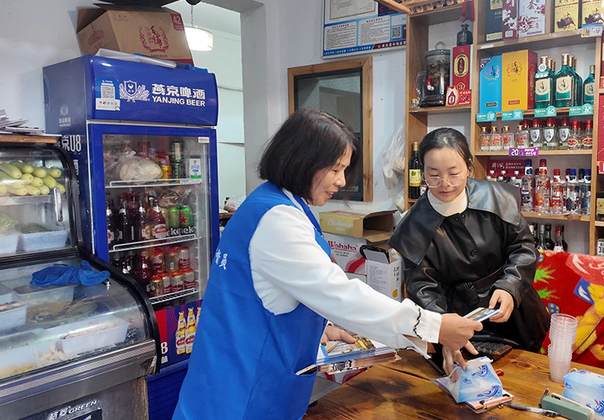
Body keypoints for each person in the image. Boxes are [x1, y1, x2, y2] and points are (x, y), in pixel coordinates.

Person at [173, 110, 482, 419]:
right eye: (336, 169)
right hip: (243, 397)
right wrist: (431, 326)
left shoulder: (267, 204)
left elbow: (270, 296)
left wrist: (320, 328)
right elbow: (339, 294)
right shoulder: (278, 220)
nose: (341, 181)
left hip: (222, 384)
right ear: (302, 160)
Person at [388, 127, 550, 374]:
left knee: (526, 375)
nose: (445, 184)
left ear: (469, 167)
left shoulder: (498, 197)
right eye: (433, 175)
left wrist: (510, 286)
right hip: (461, 324)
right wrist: (443, 330)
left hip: (516, 313)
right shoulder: (412, 227)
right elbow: (424, 289)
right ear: (422, 172)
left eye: (454, 174)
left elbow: (523, 247)